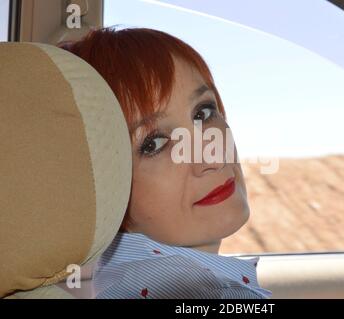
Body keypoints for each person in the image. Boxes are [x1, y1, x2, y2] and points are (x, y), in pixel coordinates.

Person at [60, 27, 271, 299]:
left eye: (204, 113)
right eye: (155, 143)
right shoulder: (211, 295)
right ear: (102, 187)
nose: (212, 156)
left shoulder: (108, 283)